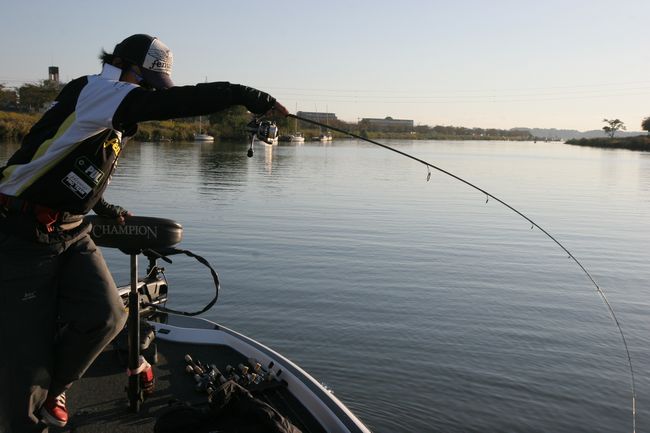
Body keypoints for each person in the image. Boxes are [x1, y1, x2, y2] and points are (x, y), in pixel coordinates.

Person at [0, 33, 288, 432]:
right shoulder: (98, 91)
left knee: (107, 316)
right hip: (21, 231)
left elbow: (69, 166)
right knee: (25, 361)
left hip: (71, 229)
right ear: (120, 64)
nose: (148, 93)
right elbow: (179, 103)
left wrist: (104, 207)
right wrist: (244, 94)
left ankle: (56, 388)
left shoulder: (111, 110)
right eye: (146, 83)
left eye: (154, 87)